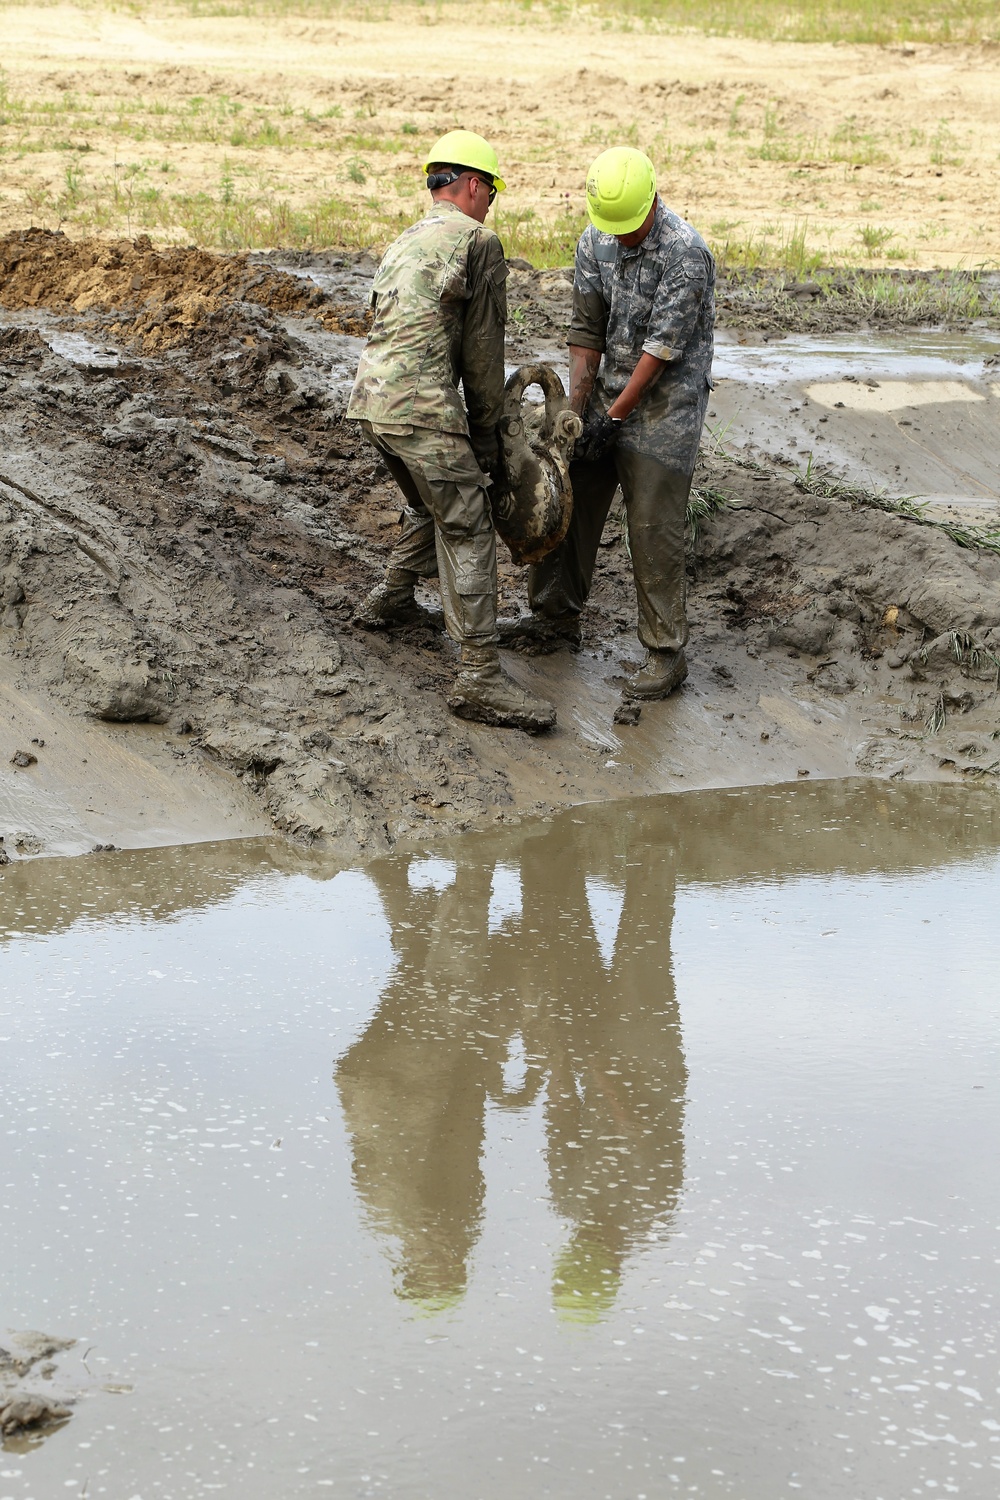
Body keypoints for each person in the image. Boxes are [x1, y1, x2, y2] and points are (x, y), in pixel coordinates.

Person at [347, 129, 556, 733]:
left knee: (430, 501)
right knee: (468, 524)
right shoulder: (479, 242)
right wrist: (494, 444)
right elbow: (483, 362)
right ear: (471, 185)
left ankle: (389, 597)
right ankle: (479, 676)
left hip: (372, 405)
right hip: (422, 410)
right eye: (490, 191)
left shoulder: (406, 239)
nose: (490, 204)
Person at [520, 146, 715, 701]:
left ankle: (664, 651)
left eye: (631, 227)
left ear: (653, 197)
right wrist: (578, 415)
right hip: (606, 395)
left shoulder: (686, 253)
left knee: (652, 523)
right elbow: (586, 333)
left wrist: (616, 416)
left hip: (666, 406)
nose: (622, 238)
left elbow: (660, 351)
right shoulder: (595, 239)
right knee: (566, 493)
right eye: (615, 229)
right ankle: (554, 617)